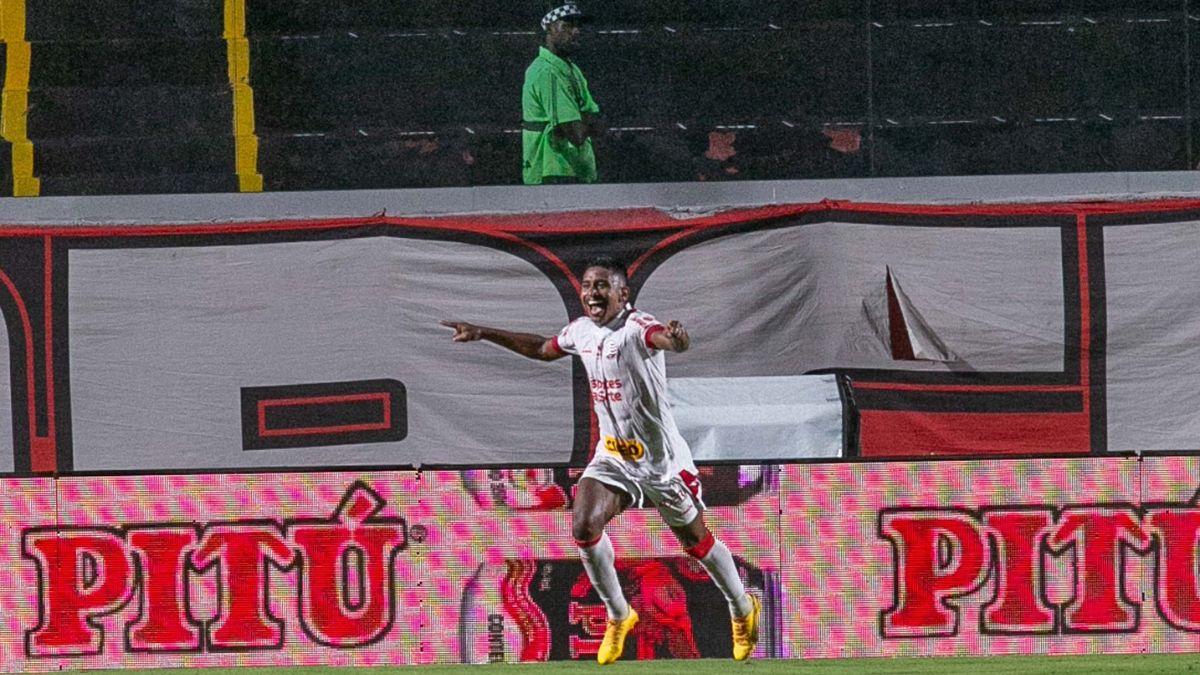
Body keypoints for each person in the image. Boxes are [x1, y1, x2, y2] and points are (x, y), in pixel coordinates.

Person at [441, 257, 760, 664]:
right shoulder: (581, 332)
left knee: (696, 542)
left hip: (661, 462)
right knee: (583, 525)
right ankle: (619, 614)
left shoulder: (636, 327)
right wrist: (484, 332)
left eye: (602, 286)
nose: (592, 293)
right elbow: (542, 348)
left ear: (622, 294)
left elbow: (664, 339)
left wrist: (678, 340)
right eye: (588, 286)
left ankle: (740, 607)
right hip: (613, 456)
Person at [522, 3, 602, 185]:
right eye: (567, 25)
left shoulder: (569, 68)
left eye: (577, 25)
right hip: (553, 172)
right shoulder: (548, 71)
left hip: (570, 170)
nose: (575, 31)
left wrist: (586, 120)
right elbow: (576, 133)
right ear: (549, 28)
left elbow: (594, 121)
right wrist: (588, 120)